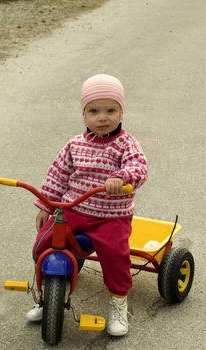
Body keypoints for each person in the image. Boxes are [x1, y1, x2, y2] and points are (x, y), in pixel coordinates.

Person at [26, 74, 148, 336]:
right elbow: (57, 174)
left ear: (121, 112)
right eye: (94, 111)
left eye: (110, 110)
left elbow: (139, 167)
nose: (102, 117)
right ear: (84, 115)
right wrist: (46, 205)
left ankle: (118, 304)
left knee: (116, 257)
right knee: (42, 244)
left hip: (110, 216)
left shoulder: (126, 144)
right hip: (72, 210)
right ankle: (45, 295)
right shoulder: (74, 144)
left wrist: (123, 177)